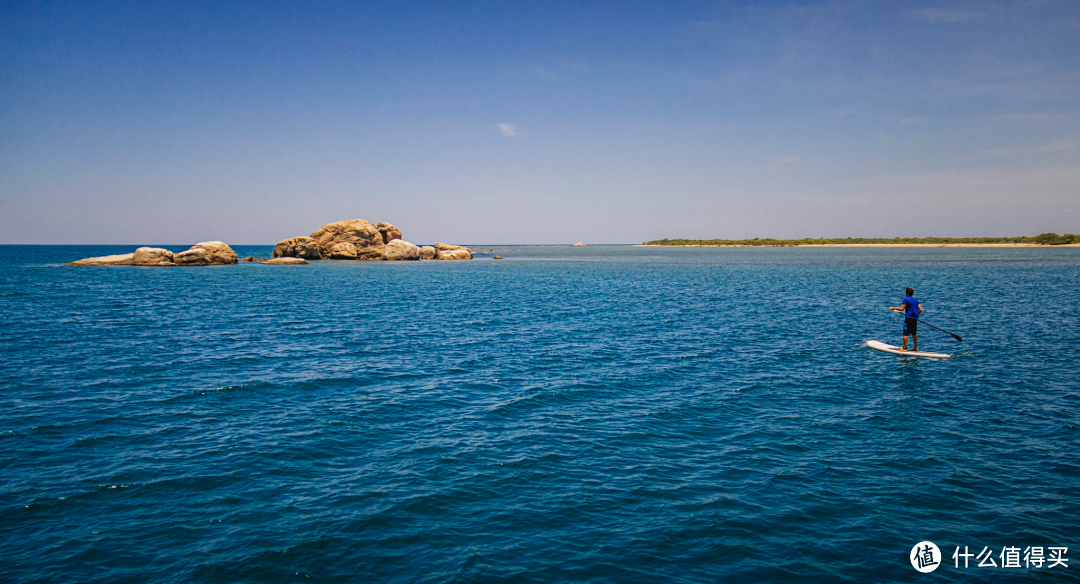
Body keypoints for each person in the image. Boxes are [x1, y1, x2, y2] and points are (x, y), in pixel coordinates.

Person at [889, 287, 923, 352]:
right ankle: (915, 348)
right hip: (914, 319)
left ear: (906, 293)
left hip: (908, 319)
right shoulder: (916, 300)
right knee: (914, 334)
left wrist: (893, 308)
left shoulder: (906, 299)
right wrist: (917, 315)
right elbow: (921, 309)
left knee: (905, 333)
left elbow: (902, 308)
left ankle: (905, 348)